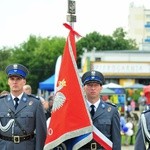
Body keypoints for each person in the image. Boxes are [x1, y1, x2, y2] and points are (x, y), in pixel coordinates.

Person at [0, 63, 47, 150]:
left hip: (26, 147)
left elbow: (41, 133)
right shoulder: (1, 102)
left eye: (18, 79)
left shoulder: (35, 103)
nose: (15, 82)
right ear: (8, 81)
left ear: (24, 81)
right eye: (12, 79)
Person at [80, 70, 121, 150]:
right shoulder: (77, 110)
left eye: (96, 85)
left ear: (101, 88)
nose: (93, 88)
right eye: (89, 85)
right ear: (84, 87)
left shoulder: (111, 111)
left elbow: (116, 141)